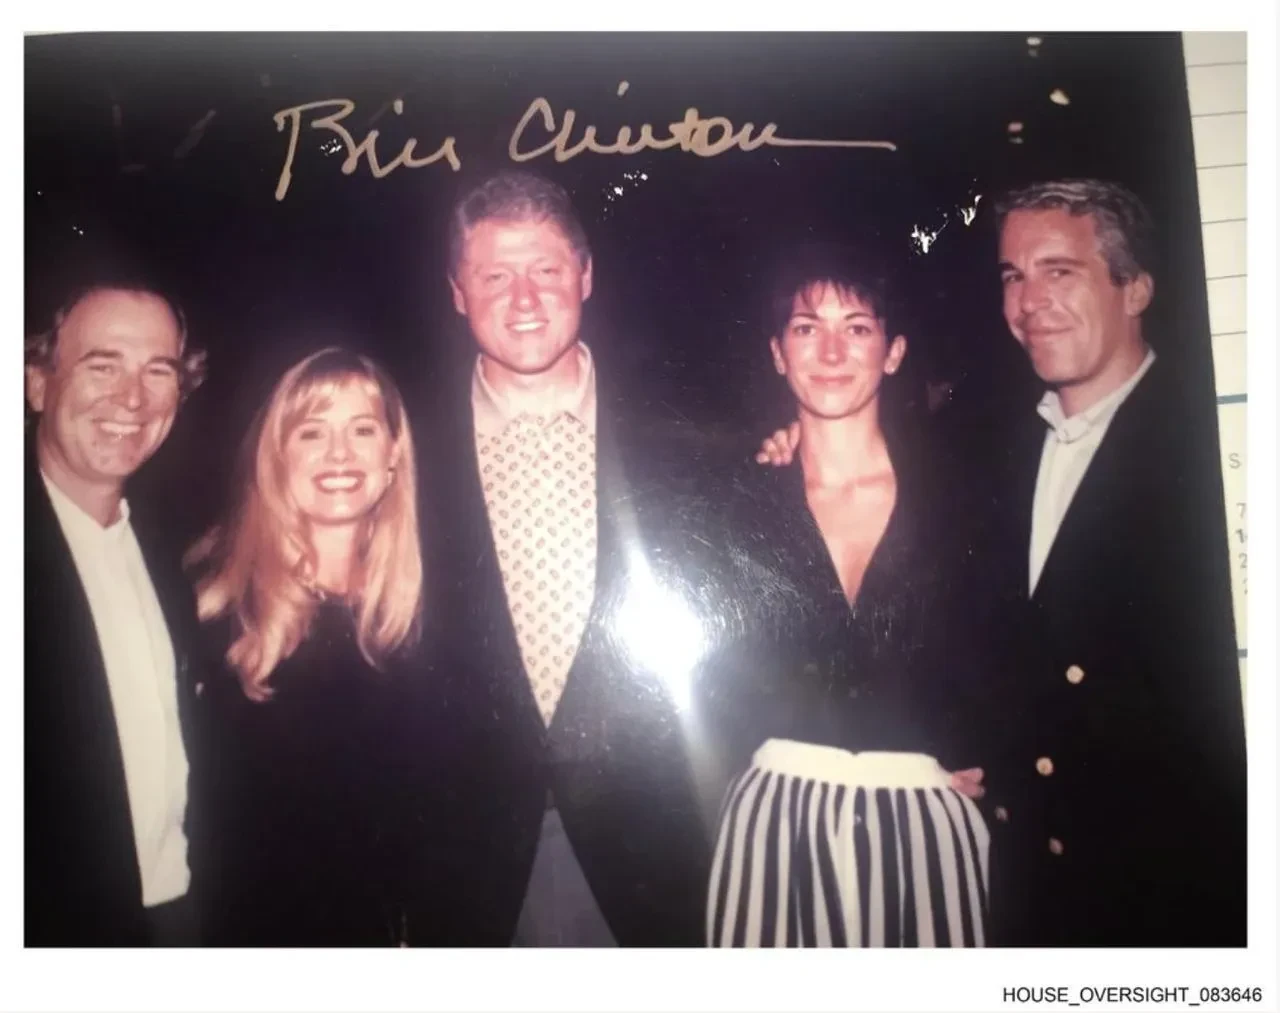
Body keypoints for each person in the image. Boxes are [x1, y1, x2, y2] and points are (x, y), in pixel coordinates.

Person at [757, 179, 1247, 946]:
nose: (1030, 301)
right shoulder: (994, 451)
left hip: (1166, 892)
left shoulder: (1222, 450)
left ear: (1137, 287)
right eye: (1014, 276)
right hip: (1021, 881)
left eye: (1060, 271)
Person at [410, 169, 716, 946]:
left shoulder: (689, 435)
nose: (524, 297)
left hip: (655, 849)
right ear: (457, 291)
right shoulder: (400, 445)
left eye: (546, 269)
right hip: (468, 854)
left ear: (585, 276)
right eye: (494, 275)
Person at [700, 245, 993, 947]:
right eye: (807, 328)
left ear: (893, 352)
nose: (831, 351)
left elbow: (1014, 643)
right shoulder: (736, 505)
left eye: (857, 327)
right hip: (772, 828)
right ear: (778, 352)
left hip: (929, 823)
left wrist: (997, 755)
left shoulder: (962, 498)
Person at [184, 346, 426, 946]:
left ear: (393, 454)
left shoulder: (417, 613)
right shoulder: (213, 605)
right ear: (278, 456)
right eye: (312, 432)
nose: (339, 453)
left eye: (363, 429)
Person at [25, 270, 209, 946]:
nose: (132, 397)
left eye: (158, 371)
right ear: (37, 382)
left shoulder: (174, 547)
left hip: (185, 918)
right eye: (102, 365)